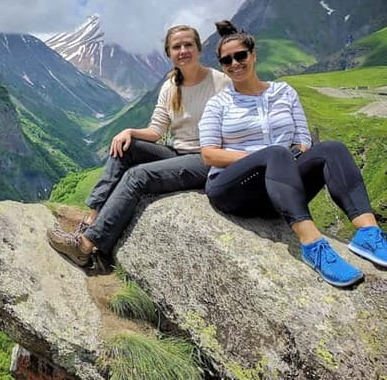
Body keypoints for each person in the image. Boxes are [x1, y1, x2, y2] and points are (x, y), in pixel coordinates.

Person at [199, 20, 387, 287]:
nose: (234, 64)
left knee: (332, 148)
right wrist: (263, 160)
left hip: (279, 188)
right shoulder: (218, 103)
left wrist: (286, 162)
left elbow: (302, 141)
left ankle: (368, 233)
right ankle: (313, 246)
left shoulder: (284, 92)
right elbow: (209, 154)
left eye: (240, 56)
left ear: (253, 55)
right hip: (234, 188)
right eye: (226, 60)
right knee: (276, 153)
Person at [47, 25, 230, 268]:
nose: (183, 50)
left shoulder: (220, 82)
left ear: (199, 49)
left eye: (188, 45)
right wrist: (129, 132)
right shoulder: (171, 86)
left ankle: (86, 246)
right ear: (169, 53)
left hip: (205, 158)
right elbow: (156, 131)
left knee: (137, 176)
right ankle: (91, 221)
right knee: (126, 147)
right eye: (177, 46)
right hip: (177, 152)